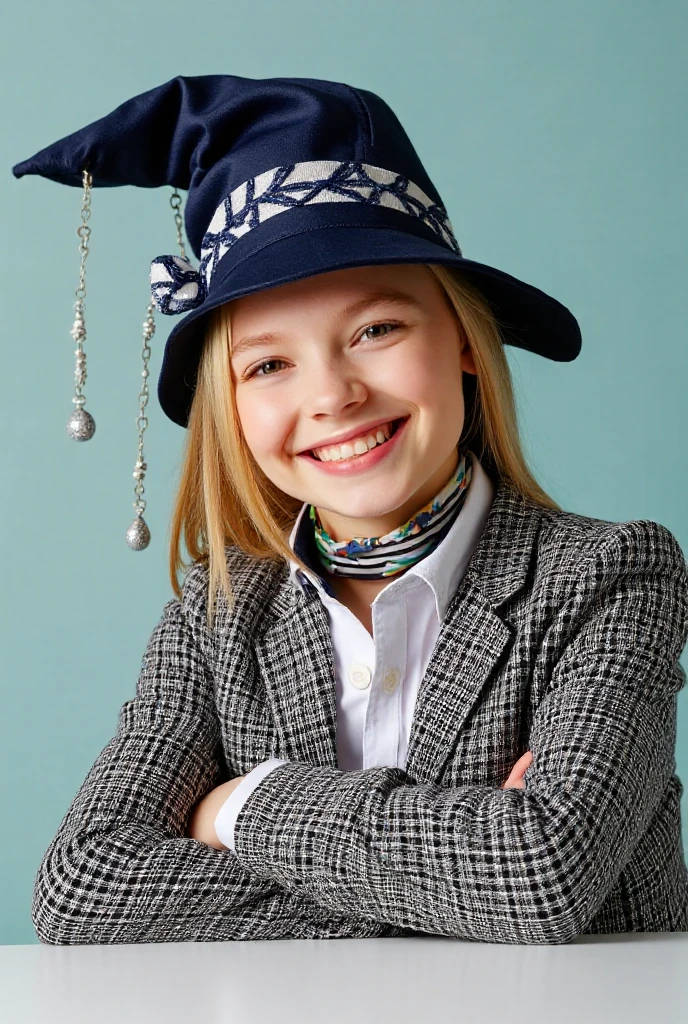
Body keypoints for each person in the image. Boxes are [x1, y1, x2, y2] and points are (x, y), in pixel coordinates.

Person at [13, 74, 688, 946]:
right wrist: (451, 880)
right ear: (230, 407)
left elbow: (542, 875)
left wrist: (242, 805)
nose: (333, 396)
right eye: (268, 366)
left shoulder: (609, 577)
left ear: (464, 340)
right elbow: (82, 888)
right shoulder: (215, 620)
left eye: (377, 330)